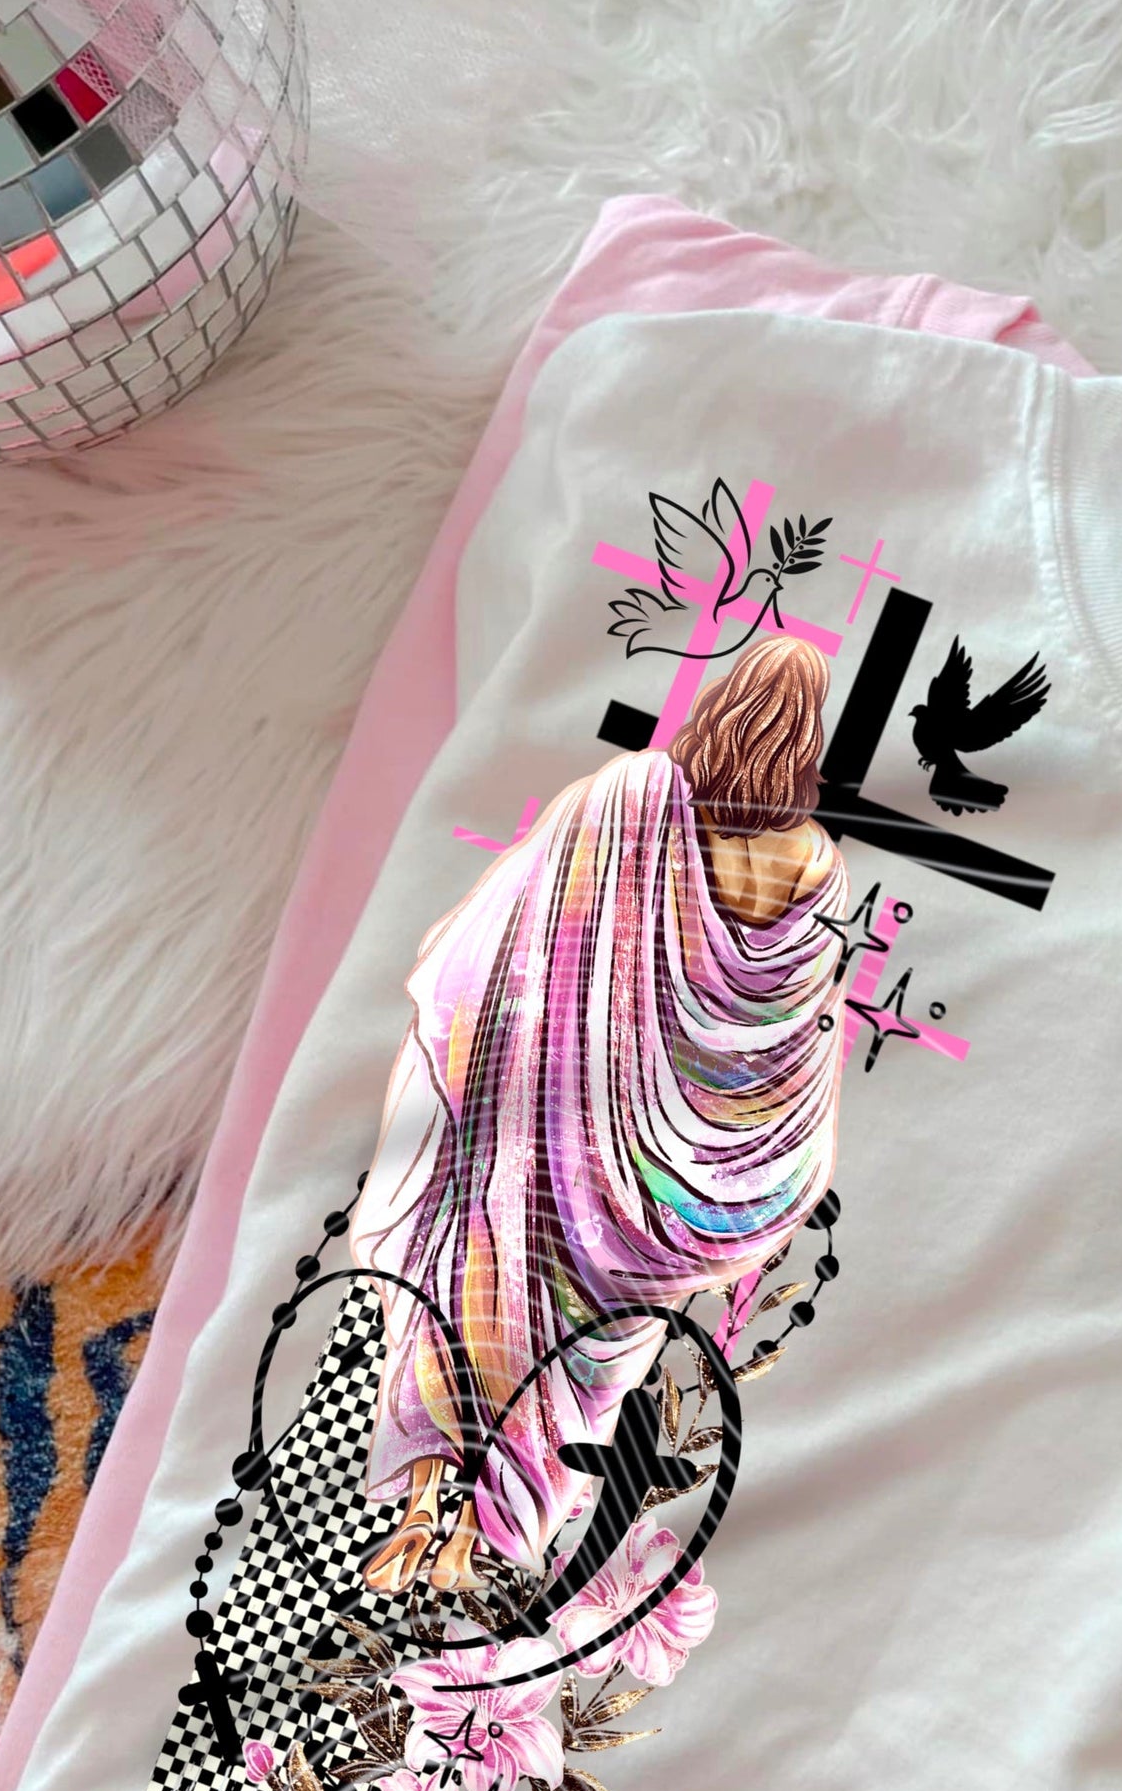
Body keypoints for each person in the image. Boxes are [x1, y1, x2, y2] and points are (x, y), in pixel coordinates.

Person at [349, 636, 847, 1595]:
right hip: (667, 1187)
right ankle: (488, 1537)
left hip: (552, 1133)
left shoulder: (631, 795)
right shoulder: (809, 858)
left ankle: (420, 1517)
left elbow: (510, 939)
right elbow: (785, 1029)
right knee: (578, 1350)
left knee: (478, 1300)